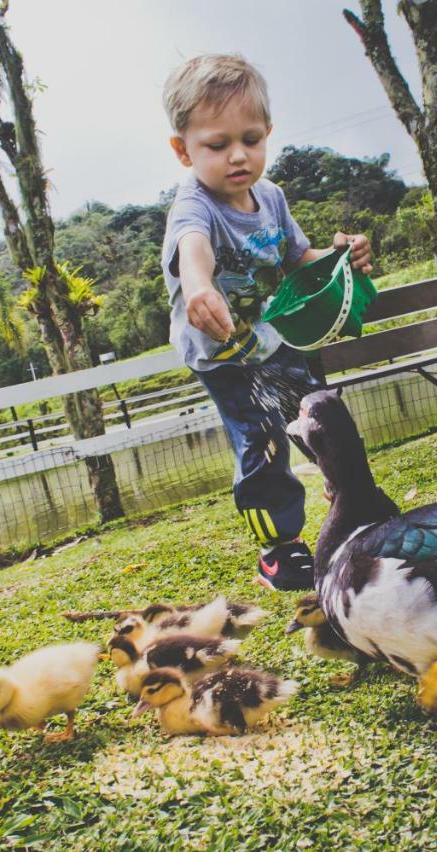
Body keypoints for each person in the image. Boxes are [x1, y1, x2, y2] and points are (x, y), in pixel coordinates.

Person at [160, 53, 372, 591]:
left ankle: (352, 512)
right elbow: (193, 249)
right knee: (262, 443)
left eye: (250, 140)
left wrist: (341, 254)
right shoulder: (194, 205)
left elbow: (299, 258)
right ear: (183, 149)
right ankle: (280, 549)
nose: (238, 156)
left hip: (274, 339)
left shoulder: (272, 197)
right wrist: (200, 285)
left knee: (320, 419)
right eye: (217, 144)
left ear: (268, 134)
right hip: (224, 355)